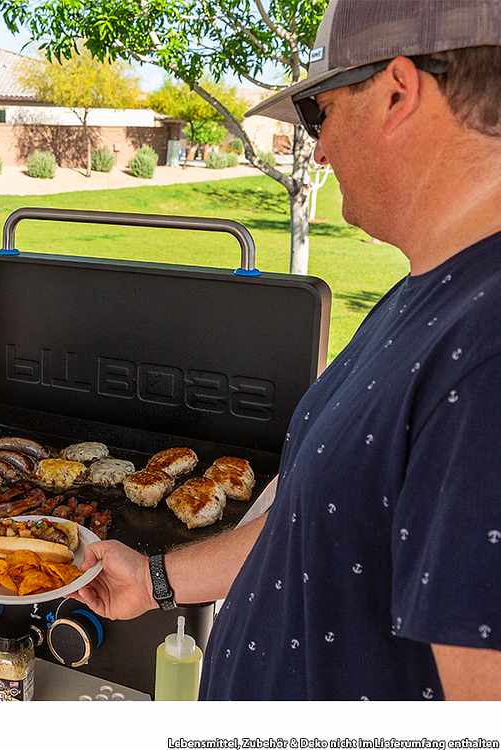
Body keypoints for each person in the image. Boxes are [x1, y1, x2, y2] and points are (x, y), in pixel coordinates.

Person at [72, 0, 501, 700]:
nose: (319, 150)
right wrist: (157, 579)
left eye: (319, 114)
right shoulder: (426, 293)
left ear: (398, 91)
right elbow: (319, 517)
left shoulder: (487, 358)